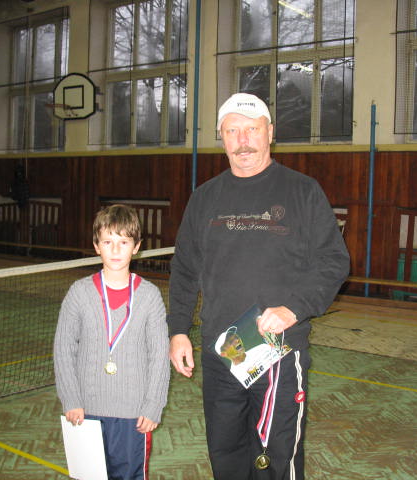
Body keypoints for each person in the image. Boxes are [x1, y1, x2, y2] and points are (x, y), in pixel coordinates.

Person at [168, 93, 350, 479]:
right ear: (221, 137)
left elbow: (334, 261)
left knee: (275, 459)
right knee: (227, 456)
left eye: (252, 129)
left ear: (270, 133)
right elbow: (184, 269)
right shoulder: (204, 198)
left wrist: (294, 308)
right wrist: (178, 330)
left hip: (277, 351)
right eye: (232, 131)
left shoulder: (303, 191)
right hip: (222, 353)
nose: (243, 140)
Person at [54, 205, 170, 480]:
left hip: (134, 415)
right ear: (97, 246)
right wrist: (70, 398)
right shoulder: (79, 293)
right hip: (85, 410)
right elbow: (63, 350)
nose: (116, 250)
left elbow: (159, 355)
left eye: (124, 242)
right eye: (108, 242)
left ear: (136, 247)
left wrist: (154, 404)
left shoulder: (150, 296)